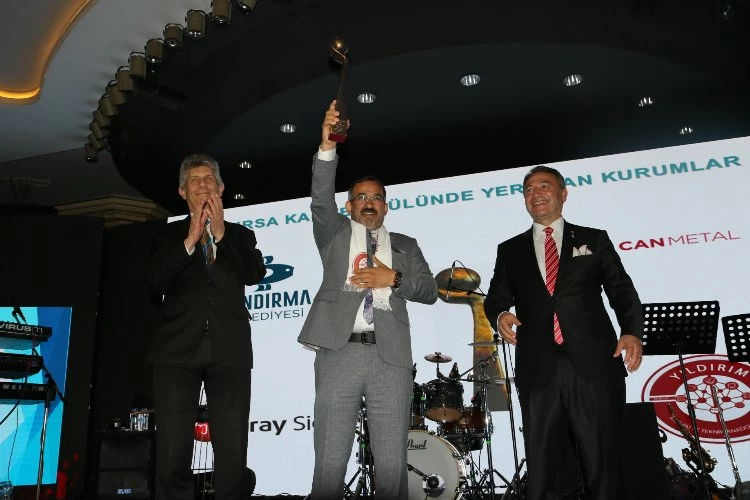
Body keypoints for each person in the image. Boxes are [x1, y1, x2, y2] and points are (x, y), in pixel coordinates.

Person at [298, 101, 438, 499]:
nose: (369, 202)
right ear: (349, 206)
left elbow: (429, 291)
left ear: (386, 205)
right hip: (339, 350)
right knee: (330, 457)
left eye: (376, 197)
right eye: (361, 197)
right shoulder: (334, 234)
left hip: (390, 356)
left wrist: (393, 278)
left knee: (392, 462)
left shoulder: (406, 245)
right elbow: (320, 199)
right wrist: (328, 147)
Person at [483, 165, 643, 500]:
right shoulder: (510, 249)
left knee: (602, 461)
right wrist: (499, 315)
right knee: (542, 467)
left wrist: (631, 332)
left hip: (595, 364)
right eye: (529, 189)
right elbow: (496, 297)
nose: (536, 194)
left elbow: (622, 290)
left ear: (563, 194)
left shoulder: (593, 239)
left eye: (544, 186)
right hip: (538, 366)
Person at [148, 154, 266, 499]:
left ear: (221, 188)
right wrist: (190, 240)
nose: (203, 185)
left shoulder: (241, 235)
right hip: (175, 355)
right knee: (171, 453)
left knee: (232, 452)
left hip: (229, 353)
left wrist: (221, 234)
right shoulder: (167, 235)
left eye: (209, 179)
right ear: (182, 191)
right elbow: (154, 282)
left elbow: (254, 273)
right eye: (194, 180)